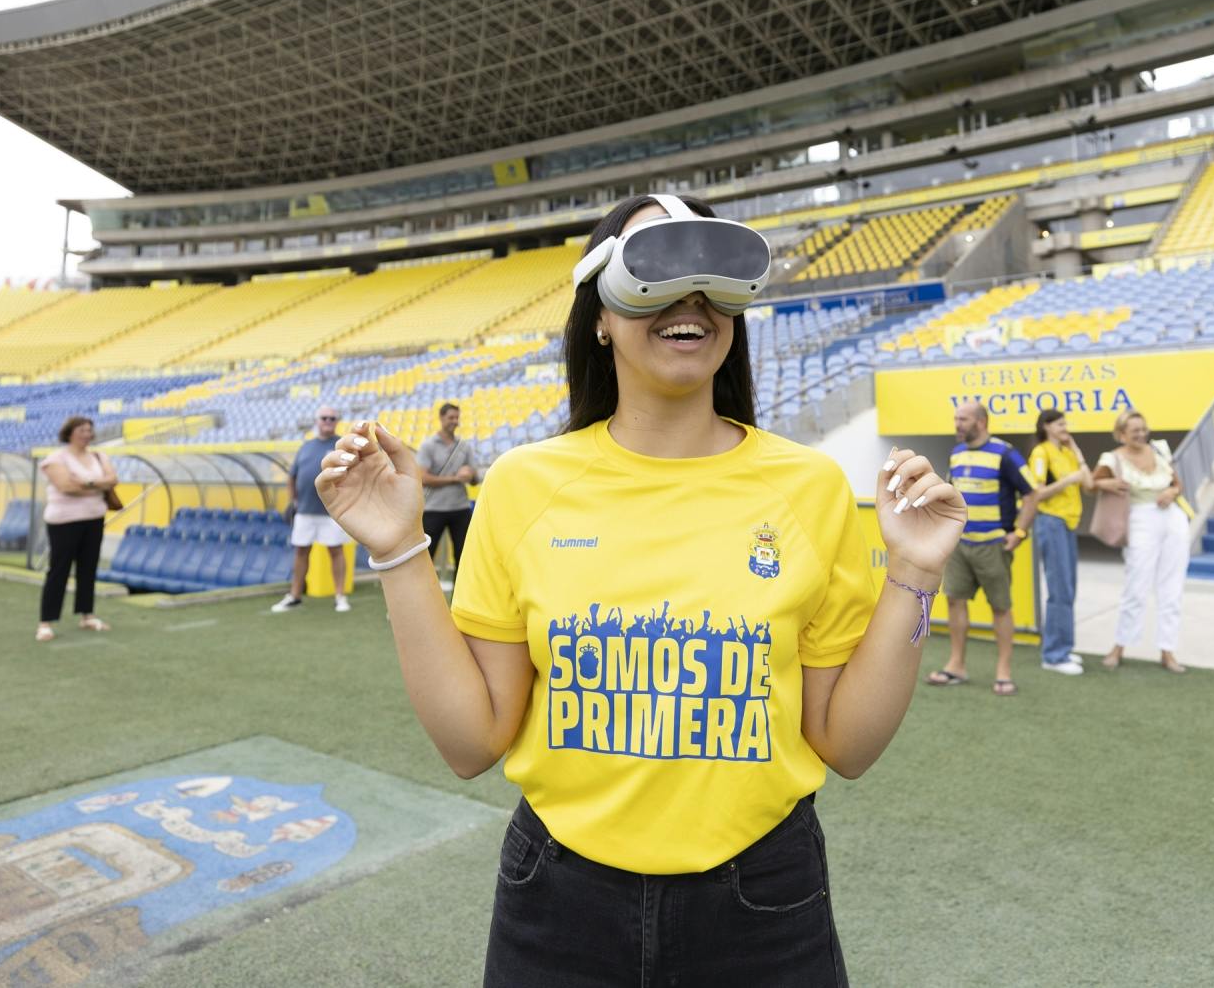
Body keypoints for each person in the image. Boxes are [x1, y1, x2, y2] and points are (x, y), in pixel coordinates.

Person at [314, 193, 965, 986]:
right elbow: (470, 741)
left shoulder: (809, 487)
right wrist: (398, 551)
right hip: (559, 902)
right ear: (600, 312)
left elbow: (847, 744)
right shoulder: (525, 485)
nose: (691, 298)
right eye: (656, 265)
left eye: (713, 275)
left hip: (762, 900)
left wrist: (915, 573)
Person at [930, 401, 1077, 696]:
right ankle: (956, 665)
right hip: (961, 544)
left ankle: (1003, 672)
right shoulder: (957, 453)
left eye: (964, 419)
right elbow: (951, 491)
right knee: (956, 601)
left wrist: (1020, 532)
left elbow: (1032, 494)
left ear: (981, 422)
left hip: (993, 546)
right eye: (956, 419)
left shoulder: (1005, 454)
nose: (957, 424)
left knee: (1000, 607)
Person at [1090, 410, 1190, 673]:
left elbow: (1178, 484)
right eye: (1134, 430)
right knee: (1136, 584)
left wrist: (1171, 492)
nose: (1141, 434)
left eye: (1143, 429)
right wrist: (1110, 483)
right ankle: (1120, 646)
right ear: (1121, 433)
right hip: (1139, 517)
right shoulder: (1112, 458)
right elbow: (1091, 484)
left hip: (1172, 518)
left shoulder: (1159, 451)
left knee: (1172, 587)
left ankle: (1168, 651)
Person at [1019, 410, 1093, 675]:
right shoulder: (1041, 453)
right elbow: (1036, 493)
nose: (1065, 427)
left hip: (1069, 523)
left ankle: (1063, 646)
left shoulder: (1067, 452)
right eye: (1060, 423)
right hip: (1051, 522)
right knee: (1059, 588)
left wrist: (1078, 452)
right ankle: (1054, 654)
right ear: (1047, 426)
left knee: (1068, 588)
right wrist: (1067, 481)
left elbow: (1090, 482)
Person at [37, 417, 117, 643]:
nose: (87, 434)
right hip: (64, 521)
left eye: (89, 430)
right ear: (70, 432)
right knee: (59, 570)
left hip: (93, 518)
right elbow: (65, 486)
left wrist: (85, 483)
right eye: (82, 430)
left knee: (88, 568)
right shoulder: (56, 458)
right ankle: (46, 621)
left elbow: (112, 479)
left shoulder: (99, 456)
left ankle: (87, 615)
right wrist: (97, 484)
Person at [273, 407, 352, 614]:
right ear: (317, 420)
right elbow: (292, 476)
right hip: (305, 511)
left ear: (337, 421)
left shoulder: (341, 445)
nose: (328, 421)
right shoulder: (306, 446)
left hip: (331, 512)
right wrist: (294, 502)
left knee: (336, 551)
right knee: (300, 551)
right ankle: (295, 595)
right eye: (324, 418)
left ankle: (340, 596)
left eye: (332, 418)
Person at [415, 401, 482, 593]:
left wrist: (470, 475)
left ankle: (461, 600)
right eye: (450, 417)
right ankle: (421, 596)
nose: (454, 421)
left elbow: (475, 479)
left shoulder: (464, 446)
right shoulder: (428, 445)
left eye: (456, 417)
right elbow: (423, 478)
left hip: (460, 508)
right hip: (433, 509)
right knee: (426, 556)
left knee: (464, 556)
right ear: (441, 418)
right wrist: (455, 478)